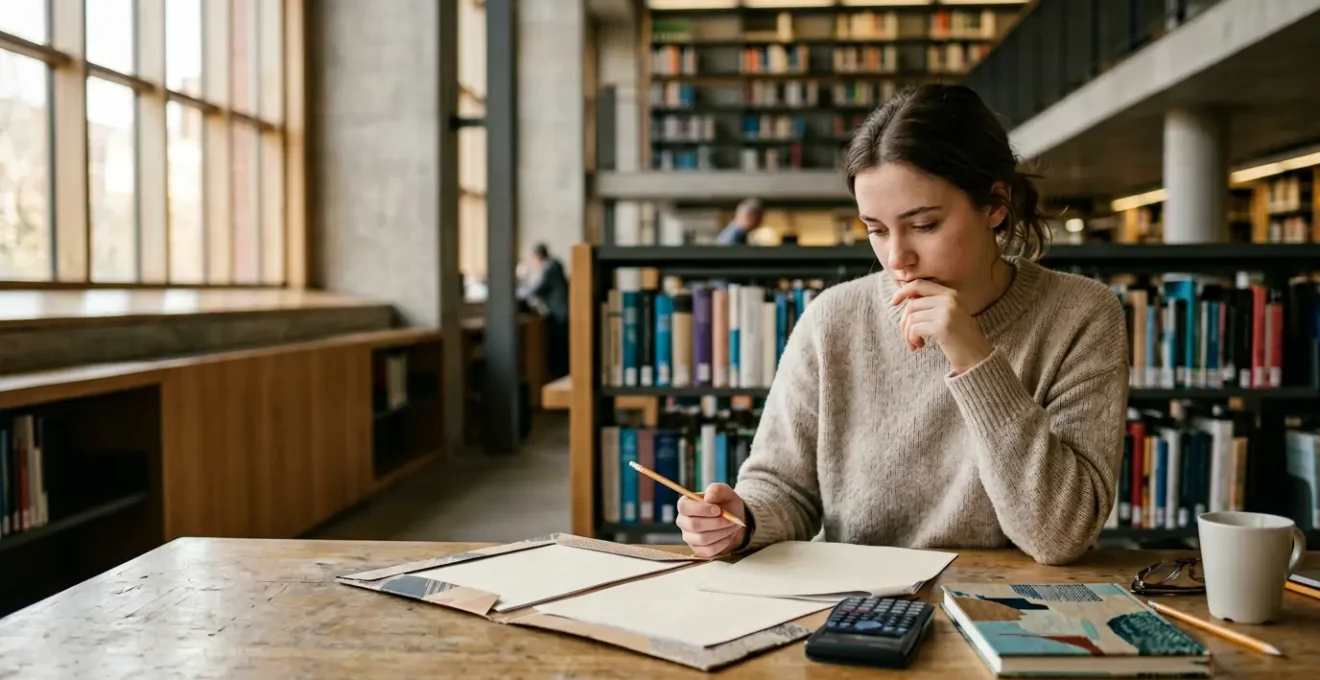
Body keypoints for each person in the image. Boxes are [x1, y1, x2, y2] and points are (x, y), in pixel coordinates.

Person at [676, 83, 1129, 566]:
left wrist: (975, 358)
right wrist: (742, 520)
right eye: (876, 229)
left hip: (1006, 601)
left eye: (924, 225)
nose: (896, 258)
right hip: (858, 598)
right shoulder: (833, 319)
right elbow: (783, 487)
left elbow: (1059, 535)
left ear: (996, 203)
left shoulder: (1083, 314)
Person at [519, 243, 570, 379]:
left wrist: (522, 293)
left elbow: (539, 289)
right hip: (561, 312)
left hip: (559, 313)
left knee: (558, 345)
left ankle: (558, 374)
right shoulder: (555, 265)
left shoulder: (550, 268)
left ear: (537, 256)